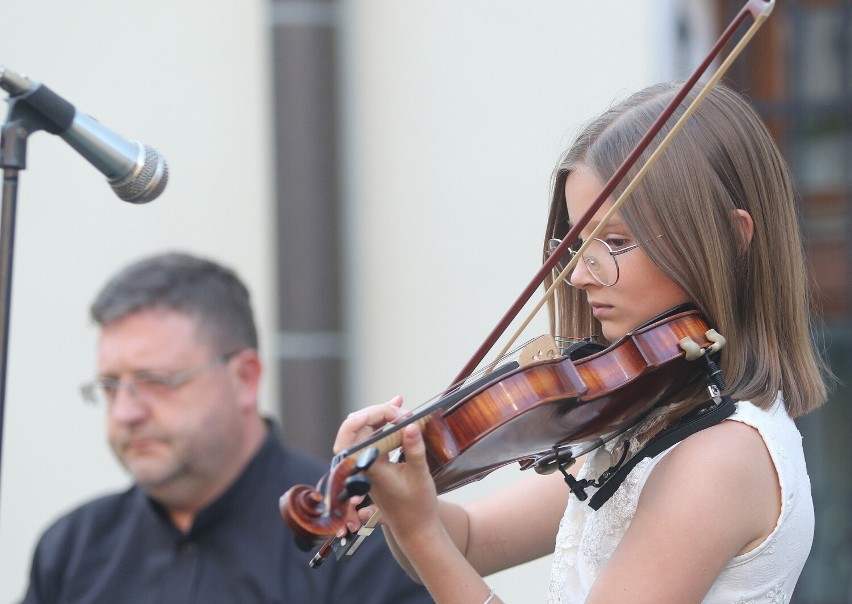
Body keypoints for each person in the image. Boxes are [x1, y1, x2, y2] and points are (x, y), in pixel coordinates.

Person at [331, 82, 829, 603]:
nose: (578, 276)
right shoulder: (639, 422)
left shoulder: (721, 456)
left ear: (730, 238)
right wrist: (398, 499)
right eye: (575, 244)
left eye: (614, 243)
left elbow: (438, 546)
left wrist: (419, 532)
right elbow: (472, 540)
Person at [21, 252, 432, 603]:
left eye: (156, 381)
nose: (126, 412)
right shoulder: (71, 548)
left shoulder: (356, 534)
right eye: (111, 386)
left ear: (244, 379)